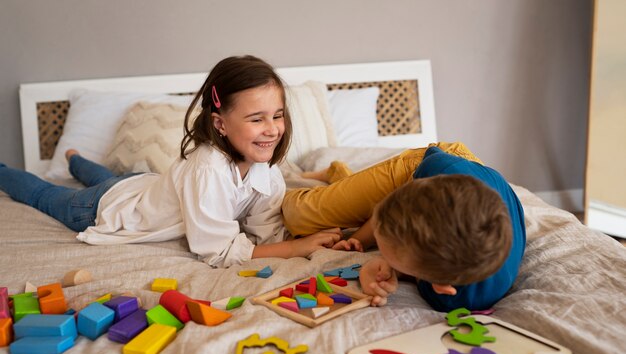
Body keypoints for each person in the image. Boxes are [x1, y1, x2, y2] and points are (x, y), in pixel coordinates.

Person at [0, 55, 341, 267]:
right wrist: (297, 248)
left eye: (277, 116)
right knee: (44, 195)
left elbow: (265, 227)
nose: (272, 130)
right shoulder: (208, 168)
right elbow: (219, 252)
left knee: (108, 178)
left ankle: (77, 159)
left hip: (140, 186)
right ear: (220, 124)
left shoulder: (264, 165)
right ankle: (42, 165)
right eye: (256, 119)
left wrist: (314, 242)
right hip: (102, 207)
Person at [282, 143, 526, 312]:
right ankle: (342, 178)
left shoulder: (450, 299)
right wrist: (361, 238)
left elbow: (416, 258)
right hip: (437, 169)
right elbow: (393, 207)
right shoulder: (438, 168)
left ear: (438, 285)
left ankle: (342, 177)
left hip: (469, 190)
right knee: (298, 214)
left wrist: (381, 268)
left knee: (313, 214)